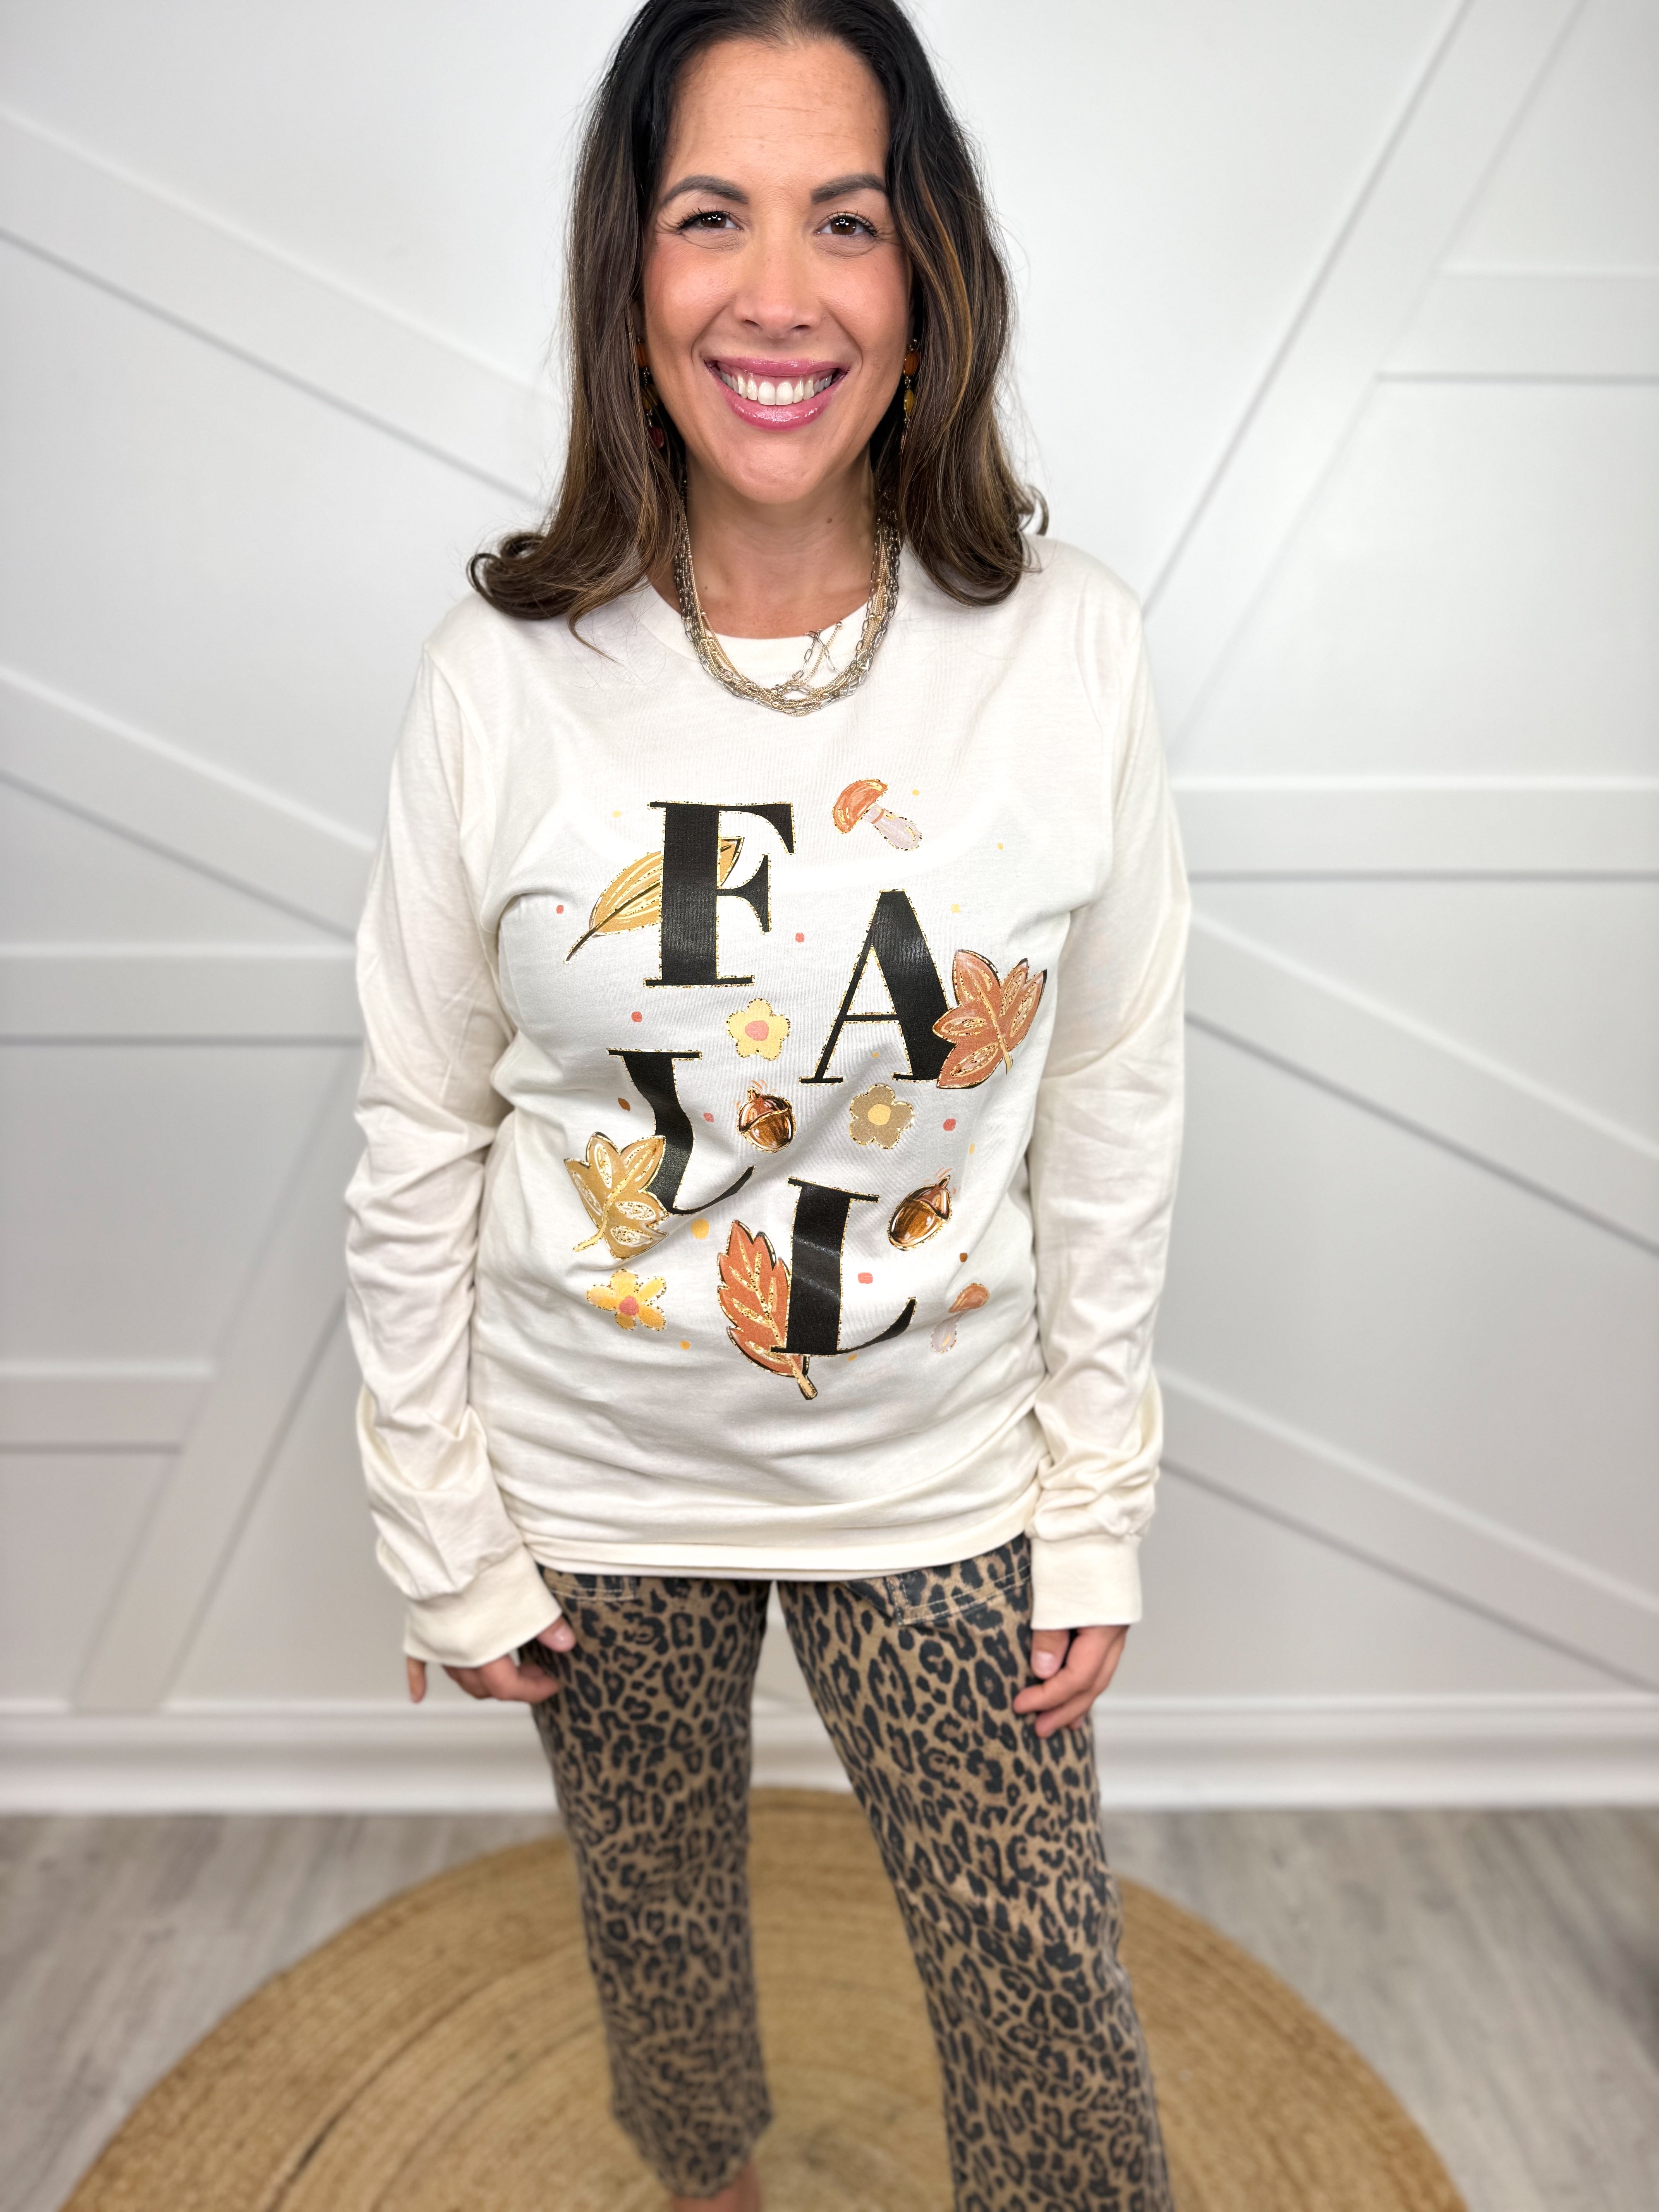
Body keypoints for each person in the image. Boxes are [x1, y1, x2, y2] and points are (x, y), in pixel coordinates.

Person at [345, 2, 1187, 2205]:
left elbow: (1110, 1096)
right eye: (713, 215)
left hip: (939, 1473)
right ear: (629, 267)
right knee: (659, 1949)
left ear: (931, 275)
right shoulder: (498, 678)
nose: (782, 294)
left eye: (850, 221)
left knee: (1044, 2005)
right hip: (591, 1474)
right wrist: (441, 1523)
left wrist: (1094, 1494)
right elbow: (422, 1121)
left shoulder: (1068, 649)